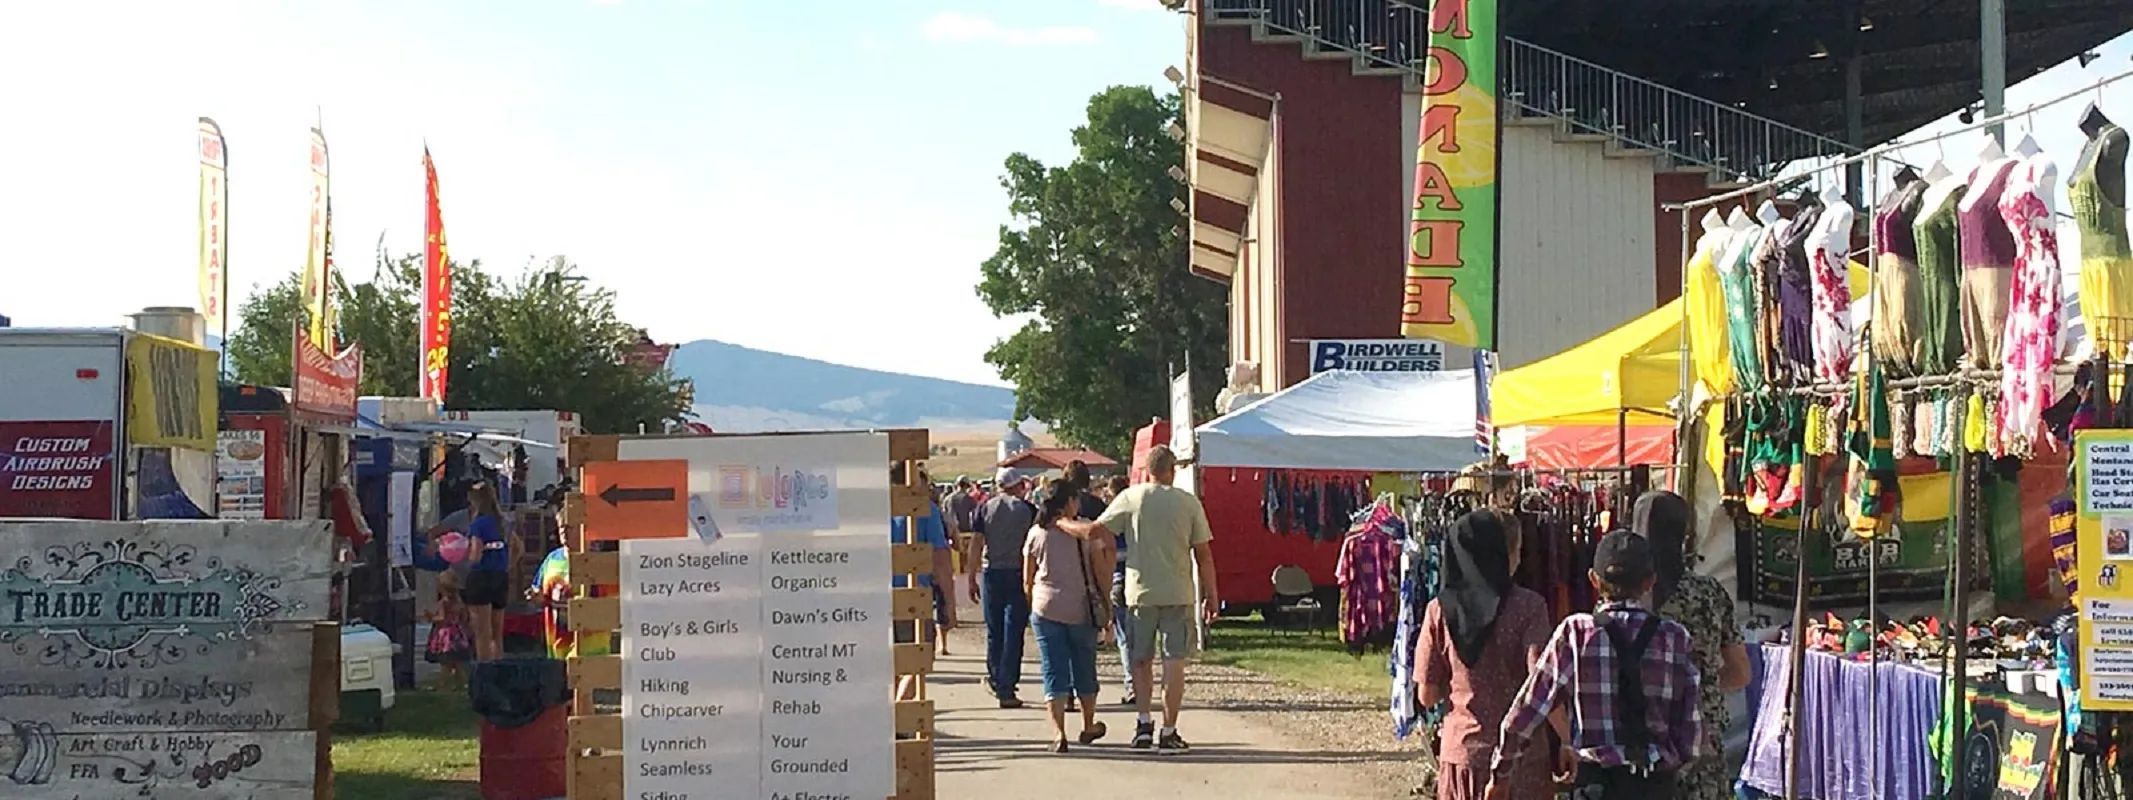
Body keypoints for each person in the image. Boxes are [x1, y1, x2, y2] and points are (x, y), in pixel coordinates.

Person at [1486, 530, 1700, 800]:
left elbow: (1526, 712)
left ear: (1594, 580)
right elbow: (1690, 732)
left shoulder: (1576, 632)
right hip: (1654, 784)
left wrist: (1501, 775)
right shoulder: (1676, 637)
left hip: (1595, 783)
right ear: (1650, 582)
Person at [1058, 445, 1215, 754]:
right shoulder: (1188, 503)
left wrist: (1061, 522)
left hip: (1140, 592)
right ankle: (1169, 731)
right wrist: (1211, 593)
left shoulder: (1131, 498)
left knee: (1141, 661)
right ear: (1173, 470)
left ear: (1146, 468)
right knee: (1174, 663)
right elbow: (1204, 554)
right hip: (1178, 592)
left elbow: (1094, 531)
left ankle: (1144, 724)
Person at [1415, 510, 1559, 799]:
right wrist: (1567, 740)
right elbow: (1543, 683)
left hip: (1462, 754)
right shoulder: (1529, 607)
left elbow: (1427, 694)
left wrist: (1459, 684)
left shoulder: (1439, 611)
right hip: (1523, 759)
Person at [1633, 491, 1751, 800]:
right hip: (1702, 749)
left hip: (1639, 753)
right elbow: (1741, 672)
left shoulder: (1624, 601)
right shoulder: (1708, 594)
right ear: (1684, 532)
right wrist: (1701, 686)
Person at [1023, 480, 1114, 752]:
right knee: (1084, 667)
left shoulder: (1036, 533)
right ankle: (1088, 724)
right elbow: (1100, 573)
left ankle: (1058, 733)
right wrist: (1107, 605)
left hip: (1045, 607)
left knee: (1053, 669)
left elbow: (1027, 577)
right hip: (1081, 607)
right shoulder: (1085, 532)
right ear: (1070, 502)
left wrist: (1032, 604)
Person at [969, 477, 1038, 708]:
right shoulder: (1028, 510)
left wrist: (971, 576)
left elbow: (977, 543)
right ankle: (1007, 684)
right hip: (1018, 572)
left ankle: (996, 677)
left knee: (994, 629)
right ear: (1017, 486)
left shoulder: (985, 508)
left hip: (993, 572)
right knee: (1014, 630)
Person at [892, 467, 959, 671]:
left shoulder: (876, 509)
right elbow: (940, 560)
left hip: (875, 602)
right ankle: (900, 702)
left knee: (889, 669)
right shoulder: (926, 510)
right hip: (913, 599)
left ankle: (895, 702)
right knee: (917, 666)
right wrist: (949, 602)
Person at [460, 482, 517, 662]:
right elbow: (518, 547)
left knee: (482, 631)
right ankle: (498, 668)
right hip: (500, 576)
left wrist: (464, 556)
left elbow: (476, 554)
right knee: (497, 632)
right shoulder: (503, 522)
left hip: (481, 576)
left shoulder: (478, 524)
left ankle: (484, 671)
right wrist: (507, 564)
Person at [1099, 473, 1135, 703]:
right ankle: (1141, 682)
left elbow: (1112, 552)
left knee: (1124, 637)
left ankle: (1133, 684)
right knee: (1140, 636)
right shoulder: (1137, 515)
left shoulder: (1112, 518)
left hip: (1120, 578)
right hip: (1141, 577)